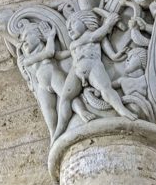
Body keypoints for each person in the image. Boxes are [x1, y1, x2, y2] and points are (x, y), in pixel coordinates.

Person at [52, 10, 137, 143]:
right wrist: (108, 24)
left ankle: (122, 111)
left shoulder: (97, 37)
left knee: (106, 89)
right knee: (65, 98)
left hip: (93, 66)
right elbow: (92, 37)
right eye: (67, 27)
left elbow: (111, 53)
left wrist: (118, 54)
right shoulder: (76, 42)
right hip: (76, 71)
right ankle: (60, 128)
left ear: (86, 21)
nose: (69, 29)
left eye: (72, 24)